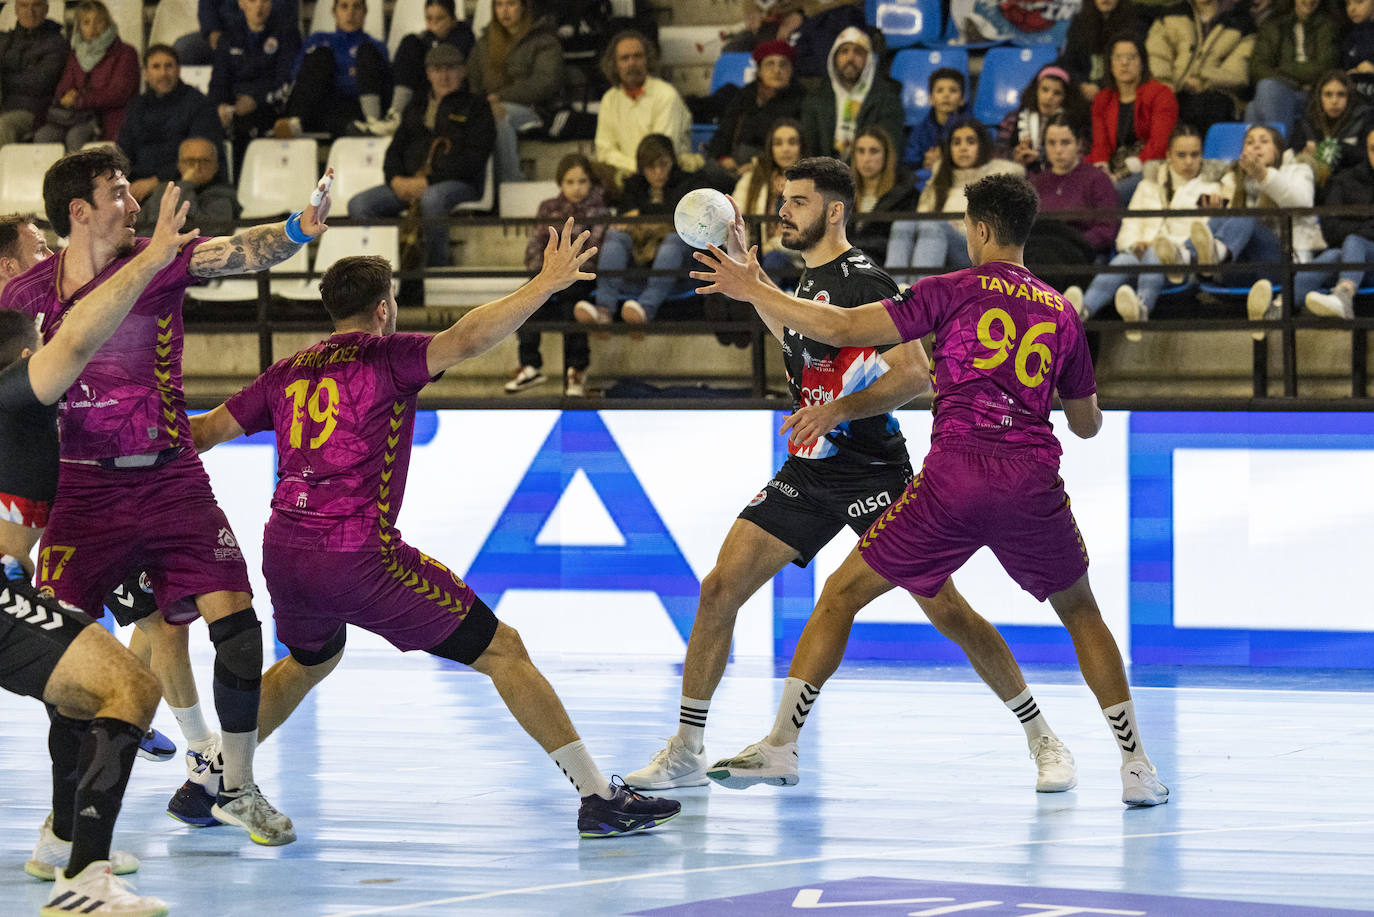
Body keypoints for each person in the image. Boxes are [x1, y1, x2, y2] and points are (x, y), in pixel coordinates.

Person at [689, 171, 1170, 808]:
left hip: (953, 481)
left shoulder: (948, 290)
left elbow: (841, 328)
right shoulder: (1061, 312)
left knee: (840, 596)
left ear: (980, 230)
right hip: (1031, 482)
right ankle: (1136, 767)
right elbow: (1085, 426)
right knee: (1082, 614)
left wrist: (753, 289)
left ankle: (782, 742)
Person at [187, 237, 683, 838]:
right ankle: (599, 797)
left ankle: (213, 778)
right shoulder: (388, 356)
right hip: (357, 555)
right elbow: (471, 337)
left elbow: (206, 430)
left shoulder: (287, 371)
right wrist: (545, 284)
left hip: (284, 551)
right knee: (504, 650)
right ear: (382, 309)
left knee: (312, 657)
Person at [627, 158, 1080, 798]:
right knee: (719, 588)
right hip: (812, 471)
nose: (783, 211)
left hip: (874, 470)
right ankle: (686, 748)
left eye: (798, 202)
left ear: (834, 211)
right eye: (782, 199)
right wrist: (754, 285)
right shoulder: (806, 280)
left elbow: (915, 374)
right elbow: (797, 339)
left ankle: (1044, 739)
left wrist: (837, 409)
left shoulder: (864, 280)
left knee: (947, 610)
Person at [0, 147, 341, 847]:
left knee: (240, 633)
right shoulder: (25, 294)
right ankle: (64, 825)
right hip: (80, 487)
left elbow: (240, 253)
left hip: (170, 476)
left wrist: (301, 229)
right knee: (68, 663)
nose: (133, 202)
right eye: (119, 191)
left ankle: (234, 785)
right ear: (80, 210)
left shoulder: (161, 256)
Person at [0, 185, 199, 917]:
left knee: (99, 689)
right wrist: (150, 260)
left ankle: (71, 853)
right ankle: (84, 877)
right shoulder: (16, 391)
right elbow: (79, 340)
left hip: (13, 580)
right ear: (27, 350)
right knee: (129, 688)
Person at [1162, 124, 1323, 336]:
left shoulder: (1297, 171)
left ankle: (1205, 254)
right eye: (1249, 142)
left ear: (1278, 149)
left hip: (1285, 265)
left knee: (1247, 215)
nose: (1256, 146)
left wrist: (1264, 175)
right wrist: (1217, 212)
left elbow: (1301, 203)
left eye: (1264, 141)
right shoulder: (1236, 181)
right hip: (1244, 270)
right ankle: (1187, 255)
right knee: (1228, 215)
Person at [348, 43, 494, 273]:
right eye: (437, 68)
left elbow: (474, 158)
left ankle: (437, 270)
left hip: (460, 184)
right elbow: (394, 151)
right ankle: (379, 271)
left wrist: (428, 182)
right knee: (360, 204)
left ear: (462, 71)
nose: (444, 75)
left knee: (433, 199)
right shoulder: (415, 107)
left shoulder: (477, 107)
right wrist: (395, 179)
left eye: (451, 68)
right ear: (428, 73)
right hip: (409, 183)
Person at [1068, 124, 1218, 339]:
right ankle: (1081, 313)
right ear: (1168, 156)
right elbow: (1127, 230)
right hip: (1136, 259)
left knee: (1152, 253)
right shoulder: (1146, 187)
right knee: (1124, 258)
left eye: (1195, 155)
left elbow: (1202, 236)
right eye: (1181, 155)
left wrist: (1158, 245)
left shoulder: (1210, 191)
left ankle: (1140, 308)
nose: (1188, 162)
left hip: (1178, 264)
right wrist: (1135, 245)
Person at [505, 153, 608, 397]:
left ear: (591, 183)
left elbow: (594, 249)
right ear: (560, 183)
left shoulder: (598, 210)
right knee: (526, 295)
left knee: (572, 305)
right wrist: (542, 273)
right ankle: (530, 365)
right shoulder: (548, 207)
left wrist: (567, 272)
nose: (576, 188)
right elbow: (535, 244)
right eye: (570, 182)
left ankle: (577, 370)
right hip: (548, 273)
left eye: (582, 181)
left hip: (581, 276)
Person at [582, 134, 700, 328]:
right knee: (615, 236)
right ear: (641, 167)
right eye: (650, 168)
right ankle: (603, 310)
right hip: (638, 259)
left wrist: (642, 215)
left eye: (664, 165)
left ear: (673, 161)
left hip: (679, 264)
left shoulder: (690, 183)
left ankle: (645, 309)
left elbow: (687, 218)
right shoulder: (632, 184)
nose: (658, 172)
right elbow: (624, 220)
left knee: (674, 240)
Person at [886, 119, 1023, 281]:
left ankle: (920, 295)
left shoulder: (999, 176)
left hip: (976, 252)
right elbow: (921, 217)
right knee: (903, 224)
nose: (963, 148)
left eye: (970, 142)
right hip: (937, 245)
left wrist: (952, 227)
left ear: (982, 146)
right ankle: (894, 292)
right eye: (956, 143)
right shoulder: (939, 176)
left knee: (933, 225)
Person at [466, 0, 564, 183]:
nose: (504, 11)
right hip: (487, 106)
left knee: (499, 116)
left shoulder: (543, 40)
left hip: (535, 110)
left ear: (524, 7)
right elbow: (472, 81)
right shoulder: (484, 42)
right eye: (499, 5)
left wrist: (499, 98)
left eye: (511, 4)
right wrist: (485, 103)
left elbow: (545, 82)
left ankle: (511, 183)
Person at [118, 45, 225, 205]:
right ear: (146, 73)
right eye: (156, 67)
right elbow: (123, 152)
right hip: (137, 187)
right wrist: (124, 183)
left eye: (169, 66)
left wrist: (156, 181)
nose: (163, 73)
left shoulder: (199, 104)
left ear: (178, 70)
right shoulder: (136, 106)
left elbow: (201, 158)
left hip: (187, 186)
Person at [1027, 114, 1121, 294]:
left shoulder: (1097, 179)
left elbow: (1107, 228)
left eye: (1065, 143)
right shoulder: (1035, 182)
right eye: (1051, 143)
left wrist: (1079, 240)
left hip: (1078, 251)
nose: (1058, 150)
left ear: (1078, 144)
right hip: (1037, 247)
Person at [273, 0, 391, 139]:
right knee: (321, 54)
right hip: (322, 103)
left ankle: (371, 125)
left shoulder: (375, 46)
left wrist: (335, 73)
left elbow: (382, 85)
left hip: (357, 107)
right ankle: (295, 122)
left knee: (367, 52)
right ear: (334, 12)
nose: (350, 13)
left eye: (357, 7)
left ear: (365, 12)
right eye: (344, 6)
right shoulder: (319, 39)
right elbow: (299, 76)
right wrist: (350, 73)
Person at [208, 0, 302, 175]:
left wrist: (256, 100)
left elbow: (286, 80)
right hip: (235, 107)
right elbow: (218, 83)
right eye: (252, 1)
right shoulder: (229, 36)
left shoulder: (286, 32)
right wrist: (219, 106)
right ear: (241, 3)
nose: (259, 7)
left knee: (248, 127)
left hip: (271, 106)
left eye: (264, 1)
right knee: (209, 125)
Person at [34, 0, 140, 153]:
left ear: (108, 23)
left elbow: (119, 93)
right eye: (86, 22)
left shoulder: (125, 53)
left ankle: (78, 177)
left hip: (107, 118)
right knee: (43, 136)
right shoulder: (76, 53)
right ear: (79, 27)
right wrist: (66, 96)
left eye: (99, 22)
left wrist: (81, 99)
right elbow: (64, 87)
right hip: (75, 116)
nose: (92, 28)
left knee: (76, 137)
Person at [594, 30, 694, 182]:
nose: (631, 63)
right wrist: (634, 167)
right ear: (615, 65)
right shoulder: (610, 99)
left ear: (647, 60)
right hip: (626, 175)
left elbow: (660, 150)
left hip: (664, 175)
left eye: (637, 56)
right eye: (624, 58)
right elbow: (605, 151)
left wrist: (640, 169)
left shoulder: (666, 94)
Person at [1088, 35, 1179, 204]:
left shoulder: (1161, 94)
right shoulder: (1102, 99)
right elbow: (1100, 145)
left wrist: (1120, 174)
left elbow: (1159, 145)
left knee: (1111, 193)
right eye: (1118, 58)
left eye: (1131, 57)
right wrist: (1103, 171)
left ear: (1142, 62)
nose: (1124, 63)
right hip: (1113, 169)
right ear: (1110, 64)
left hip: (1149, 167)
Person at [1297, 125, 1374, 319]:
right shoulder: (1345, 181)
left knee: (1352, 242)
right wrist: (1367, 226)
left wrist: (1354, 231)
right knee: (1339, 252)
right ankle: (1342, 297)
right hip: (1350, 261)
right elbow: (1330, 230)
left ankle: (1281, 304)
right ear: (1367, 150)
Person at [1145, 0, 1255, 130]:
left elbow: (1237, 74)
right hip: (1170, 89)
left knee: (1207, 105)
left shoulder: (1242, 23)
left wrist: (1202, 81)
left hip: (1214, 96)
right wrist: (1166, 81)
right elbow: (1157, 54)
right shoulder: (1172, 14)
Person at [704, 39, 805, 179]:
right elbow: (724, 132)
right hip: (735, 162)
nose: (777, 70)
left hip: (773, 167)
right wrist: (722, 157)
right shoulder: (745, 96)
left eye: (783, 64)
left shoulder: (801, 100)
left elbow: (799, 148)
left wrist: (759, 165)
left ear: (791, 70)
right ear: (759, 70)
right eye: (770, 64)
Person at [799, 27, 904, 162]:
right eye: (844, 51)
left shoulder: (887, 99)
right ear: (834, 58)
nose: (850, 58)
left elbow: (889, 147)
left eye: (858, 52)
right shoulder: (815, 99)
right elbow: (809, 149)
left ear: (869, 60)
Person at [1246, 0, 1341, 132]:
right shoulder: (1273, 24)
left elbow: (1324, 67)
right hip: (1283, 88)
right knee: (1264, 93)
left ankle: (1275, 149)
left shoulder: (1328, 25)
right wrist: (1291, 82)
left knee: (1257, 103)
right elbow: (1257, 68)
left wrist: (1282, 71)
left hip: (1311, 93)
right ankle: (1275, 149)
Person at [381, 0, 474, 133]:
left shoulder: (465, 38)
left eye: (440, 19)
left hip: (450, 93)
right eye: (429, 19)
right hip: (422, 89)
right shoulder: (423, 40)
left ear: (453, 20)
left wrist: (435, 41)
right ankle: (395, 114)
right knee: (409, 42)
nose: (434, 24)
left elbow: (446, 60)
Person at [733, 118, 807, 286]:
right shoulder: (752, 179)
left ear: (801, 147)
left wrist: (771, 246)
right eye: (778, 143)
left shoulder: (814, 182)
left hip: (797, 261)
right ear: (770, 148)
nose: (785, 149)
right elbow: (734, 222)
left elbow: (813, 235)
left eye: (792, 142)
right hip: (754, 257)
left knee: (773, 259)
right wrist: (748, 254)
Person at [135, 137, 240, 236]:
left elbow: (209, 230)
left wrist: (186, 184)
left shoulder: (224, 195)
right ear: (179, 165)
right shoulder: (163, 190)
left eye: (205, 161)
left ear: (215, 166)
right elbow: (140, 226)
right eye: (190, 161)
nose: (196, 167)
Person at [0, 0, 68, 148]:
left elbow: (40, 83)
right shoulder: (5, 40)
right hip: (5, 107)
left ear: (46, 9)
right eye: (24, 5)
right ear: (16, 10)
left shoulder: (56, 43)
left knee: (3, 125)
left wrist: (5, 78)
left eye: (36, 5)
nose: (30, 12)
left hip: (35, 112)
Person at [846, 126, 917, 267]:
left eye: (874, 151)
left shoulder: (905, 194)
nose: (866, 159)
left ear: (886, 156)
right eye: (861, 151)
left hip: (883, 264)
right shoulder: (843, 194)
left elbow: (901, 242)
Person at [997, 65, 1090, 171]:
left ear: (1066, 98)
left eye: (1057, 93)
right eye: (1045, 90)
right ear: (1036, 91)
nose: (1049, 97)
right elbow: (999, 153)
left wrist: (1043, 157)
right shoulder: (1013, 118)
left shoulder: (1075, 123)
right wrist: (1015, 156)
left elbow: (1080, 158)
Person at [1291, 70, 1370, 189]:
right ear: (1319, 96)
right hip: (1313, 185)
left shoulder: (1364, 118)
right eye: (1328, 94)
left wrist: (1335, 147)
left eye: (1341, 94)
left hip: (1354, 185)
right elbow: (1295, 154)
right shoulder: (1306, 121)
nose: (1334, 101)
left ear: (1349, 97)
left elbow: (1368, 156)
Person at [1058, 0, 1144, 103]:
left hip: (1120, 90)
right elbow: (1068, 61)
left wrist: (1099, 86)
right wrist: (1081, 84)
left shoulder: (1133, 23)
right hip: (1083, 90)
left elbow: (1134, 65)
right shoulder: (1079, 22)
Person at [175, 0, 299, 66]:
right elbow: (207, 6)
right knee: (183, 49)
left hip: (266, 35)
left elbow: (286, 13)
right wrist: (213, 31)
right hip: (224, 34)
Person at [902, 67, 972, 172]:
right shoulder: (920, 130)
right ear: (931, 99)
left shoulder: (972, 128)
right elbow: (910, 161)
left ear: (962, 99)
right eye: (940, 90)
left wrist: (944, 158)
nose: (946, 95)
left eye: (953, 90)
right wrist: (925, 162)